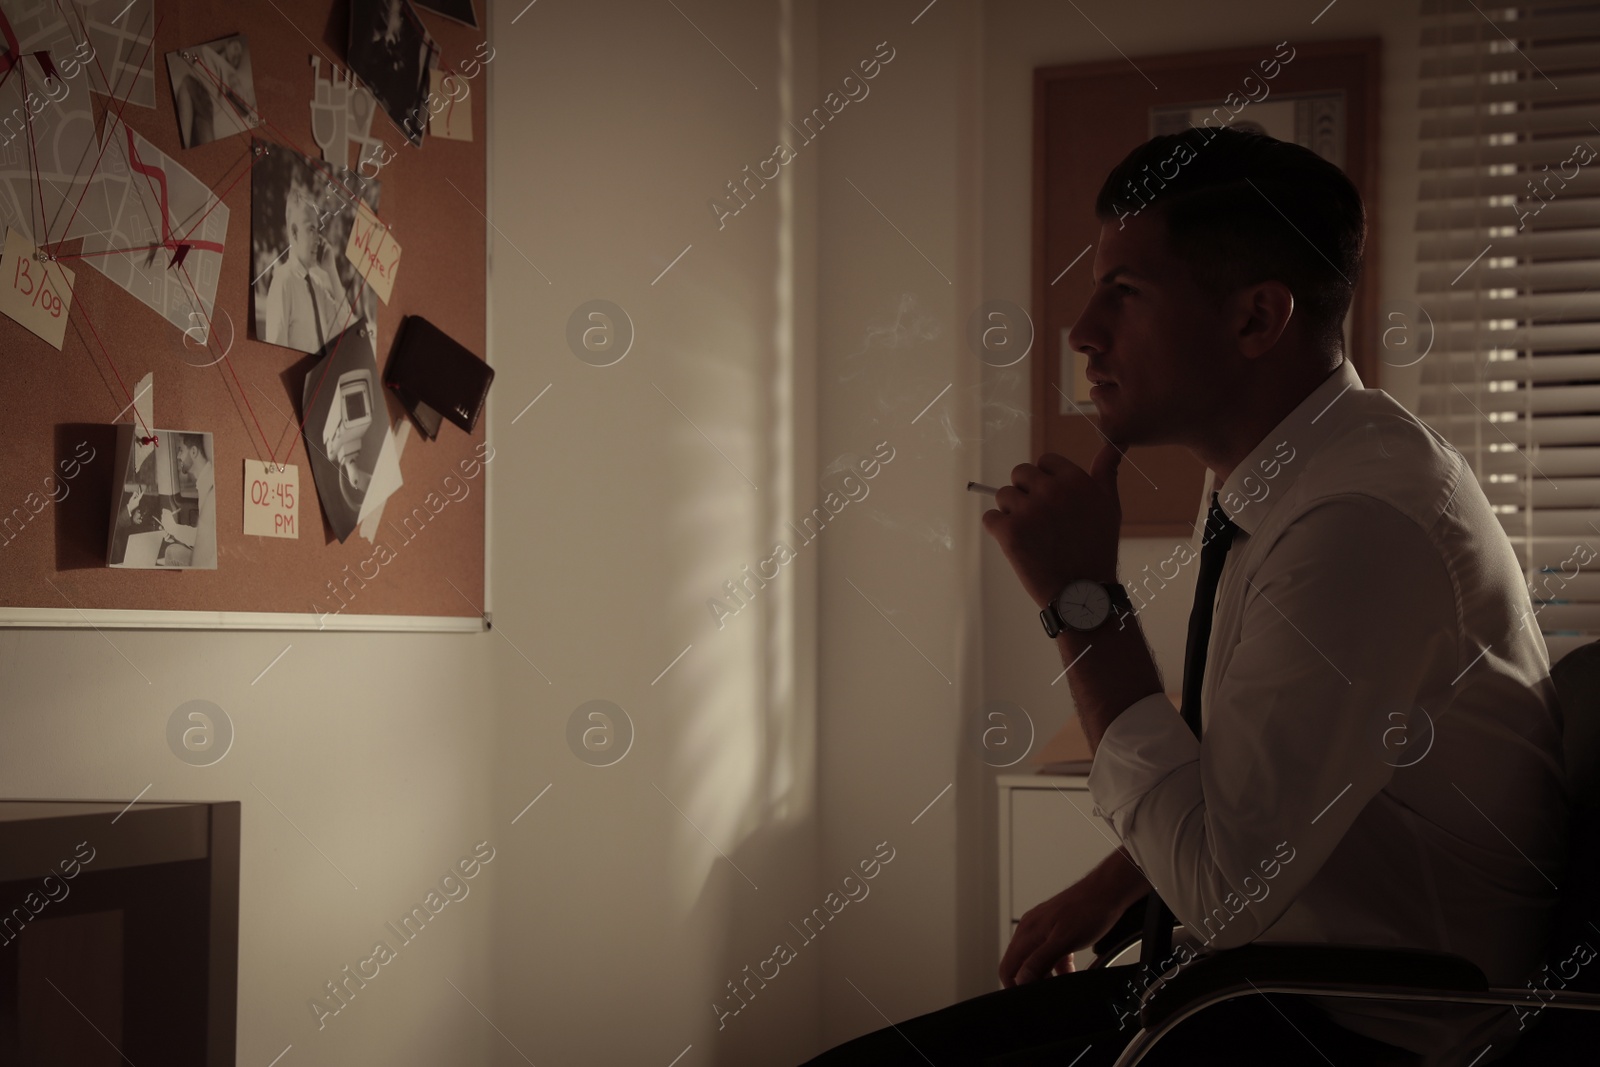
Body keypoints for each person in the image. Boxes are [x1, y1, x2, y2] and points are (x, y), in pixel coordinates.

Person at [801, 128, 1569, 1066]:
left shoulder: (1360, 524)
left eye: (1123, 293)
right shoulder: (1289, 468)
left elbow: (1228, 891)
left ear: (1256, 319)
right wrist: (1119, 877)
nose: (1081, 330)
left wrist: (1082, 600)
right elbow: (1274, 775)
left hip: (1365, 1028)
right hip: (1264, 979)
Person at [263, 188, 344, 353]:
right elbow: (275, 353)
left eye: (318, 231)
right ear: (294, 232)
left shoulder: (318, 286)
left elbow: (345, 324)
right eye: (311, 230)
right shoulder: (283, 282)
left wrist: (332, 271)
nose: (318, 240)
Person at [159, 434, 216, 568]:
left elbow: (205, 540)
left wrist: (174, 528)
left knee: (171, 552)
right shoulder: (204, 481)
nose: (178, 456)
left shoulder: (209, 486)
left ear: (194, 452)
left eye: (181, 450)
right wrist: (175, 534)